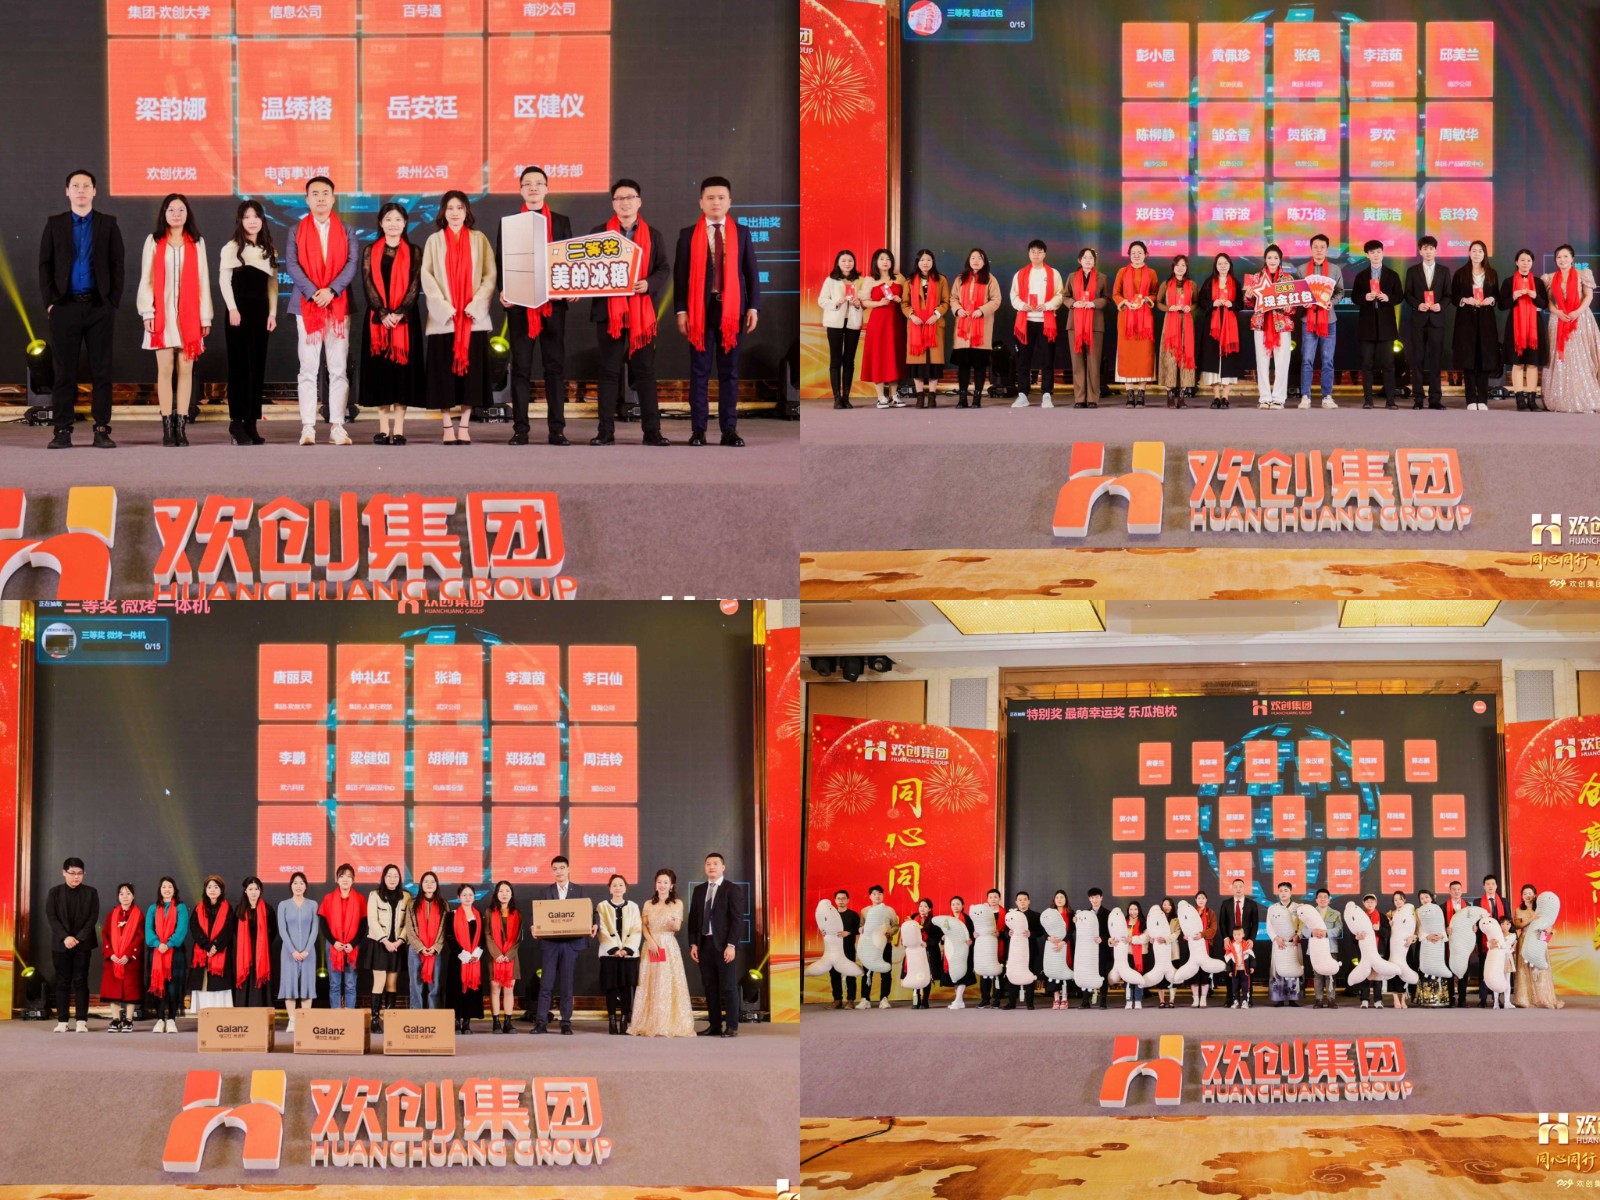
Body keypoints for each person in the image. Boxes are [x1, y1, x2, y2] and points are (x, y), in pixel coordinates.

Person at [674, 176, 761, 446]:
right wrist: (681, 311)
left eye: (721, 197)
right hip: (700, 311)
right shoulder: (687, 235)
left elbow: (751, 273)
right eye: (710, 197)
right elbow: (680, 277)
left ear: (729, 202)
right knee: (699, 372)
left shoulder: (742, 233)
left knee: (729, 373)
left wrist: (753, 307)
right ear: (701, 202)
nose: (716, 202)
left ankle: (729, 430)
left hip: (732, 312)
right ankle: (698, 430)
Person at [40, 169, 124, 449]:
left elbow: (117, 264)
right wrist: (51, 302)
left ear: (94, 191)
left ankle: (101, 429)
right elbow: (45, 264)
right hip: (64, 307)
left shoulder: (108, 223)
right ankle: (62, 430)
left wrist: (112, 301)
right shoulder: (55, 223)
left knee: (102, 371)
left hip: (99, 307)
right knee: (64, 372)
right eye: (75, 186)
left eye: (86, 186)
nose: (80, 190)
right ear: (67, 191)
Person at [590, 178, 672, 445]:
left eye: (630, 197)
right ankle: (605, 432)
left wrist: (649, 284)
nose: (625, 202)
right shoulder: (599, 233)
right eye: (619, 198)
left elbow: (663, 269)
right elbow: (587, 270)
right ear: (613, 204)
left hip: (641, 313)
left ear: (639, 202)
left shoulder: (654, 235)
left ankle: (652, 432)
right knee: (608, 371)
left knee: (644, 371)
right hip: (609, 312)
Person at [284, 176, 359, 445]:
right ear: (307, 199)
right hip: (308, 306)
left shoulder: (347, 229)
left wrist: (332, 291)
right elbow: (292, 264)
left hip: (338, 306)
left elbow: (351, 262)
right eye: (314, 194)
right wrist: (315, 292)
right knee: (308, 368)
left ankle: (337, 426)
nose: (320, 198)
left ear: (333, 198)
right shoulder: (296, 230)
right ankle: (308, 426)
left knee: (338, 368)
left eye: (325, 193)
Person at [502, 166, 572, 445]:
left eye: (539, 183)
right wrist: (503, 291)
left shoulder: (561, 221)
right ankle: (520, 430)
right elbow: (501, 261)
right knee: (521, 369)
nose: (533, 187)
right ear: (520, 190)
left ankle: (557, 430)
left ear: (547, 188)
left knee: (554, 369)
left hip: (553, 307)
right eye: (527, 183)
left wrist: (571, 287)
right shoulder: (510, 223)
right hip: (520, 307)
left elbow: (569, 258)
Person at [136, 194, 212, 446]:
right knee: (165, 368)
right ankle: (167, 426)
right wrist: (148, 311)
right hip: (163, 314)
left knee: (186, 370)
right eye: (171, 210)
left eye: (181, 210)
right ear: (164, 213)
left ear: (187, 213)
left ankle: (182, 425)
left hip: (190, 317)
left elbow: (203, 281)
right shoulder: (154, 241)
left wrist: (205, 316)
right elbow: (146, 278)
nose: (176, 214)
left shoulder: (197, 242)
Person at [421, 191, 496, 443]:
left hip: (472, 319)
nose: (455, 213)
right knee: (443, 376)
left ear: (467, 212)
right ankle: (446, 426)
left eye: (460, 208)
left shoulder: (479, 239)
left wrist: (476, 305)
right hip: (444, 320)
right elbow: (427, 276)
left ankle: (464, 425)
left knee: (471, 378)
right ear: (443, 212)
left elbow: (490, 275)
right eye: (450, 208)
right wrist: (443, 307)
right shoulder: (434, 240)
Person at [360, 202, 424, 445]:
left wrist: (398, 313)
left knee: (402, 375)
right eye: (388, 219)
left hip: (405, 321)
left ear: (405, 223)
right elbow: (367, 282)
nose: (393, 224)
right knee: (381, 374)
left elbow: (415, 284)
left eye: (398, 219)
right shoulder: (370, 250)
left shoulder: (414, 251)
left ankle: (398, 429)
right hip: (377, 320)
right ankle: (382, 428)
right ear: (380, 223)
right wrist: (382, 312)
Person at [217, 200, 277, 444]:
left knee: (257, 368)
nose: (252, 221)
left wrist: (272, 313)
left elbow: (272, 284)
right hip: (238, 314)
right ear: (240, 221)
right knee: (239, 368)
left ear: (262, 220)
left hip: (261, 315)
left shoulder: (268, 249)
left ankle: (252, 423)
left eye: (256, 216)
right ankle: (236, 423)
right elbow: (224, 281)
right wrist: (232, 308)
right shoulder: (231, 248)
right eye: (247, 217)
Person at [529, 854, 594, 1034]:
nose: (559, 872)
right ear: (552, 872)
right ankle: (541, 1022)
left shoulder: (579, 891)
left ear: (568, 869)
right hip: (550, 944)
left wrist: (594, 923)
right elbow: (537, 915)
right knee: (546, 984)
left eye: (562, 868)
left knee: (567, 985)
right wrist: (534, 926)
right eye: (555, 869)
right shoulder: (545, 892)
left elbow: (591, 912)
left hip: (571, 944)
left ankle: (565, 1022)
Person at [632, 868, 695, 1037]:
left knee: (667, 983)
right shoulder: (648, 904)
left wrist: (672, 923)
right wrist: (651, 942)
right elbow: (643, 926)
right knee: (650, 982)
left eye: (666, 882)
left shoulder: (677, 903)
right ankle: (650, 1022)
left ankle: (666, 1022)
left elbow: (677, 927)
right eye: (659, 882)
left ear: (671, 885)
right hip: (651, 946)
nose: (662, 885)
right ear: (655, 884)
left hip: (668, 946)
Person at [687, 850, 741, 1037]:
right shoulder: (699, 890)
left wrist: (731, 945)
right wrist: (693, 944)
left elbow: (737, 920)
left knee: (728, 986)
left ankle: (732, 1026)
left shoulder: (731, 889)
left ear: (723, 867)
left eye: (715, 864)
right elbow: (693, 919)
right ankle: (715, 1025)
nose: (711, 867)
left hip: (724, 946)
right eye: (708, 864)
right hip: (704, 945)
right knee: (710, 987)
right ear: (705, 867)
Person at [1542, 244, 1600, 413]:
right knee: (1560, 358)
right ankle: (1559, 398)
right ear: (1555, 260)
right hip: (1558, 319)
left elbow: (1588, 296)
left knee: (1580, 357)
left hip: (1580, 319)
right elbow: (1547, 301)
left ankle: (1584, 395)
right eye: (1559, 257)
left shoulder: (1583, 274)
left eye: (1566, 256)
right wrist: (1557, 312)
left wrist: (1577, 312)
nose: (1562, 260)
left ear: (1572, 258)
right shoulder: (1550, 278)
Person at [46, 856, 99, 1032]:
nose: (76, 877)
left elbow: (92, 918)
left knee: (81, 981)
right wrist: (65, 937)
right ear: (64, 873)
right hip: (61, 945)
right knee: (62, 982)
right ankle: (62, 1021)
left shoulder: (91, 892)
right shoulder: (54, 892)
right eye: (72, 873)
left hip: (83, 944)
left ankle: (81, 1021)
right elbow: (52, 917)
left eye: (80, 873)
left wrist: (78, 938)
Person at [1011, 239, 1064, 408]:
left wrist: (1047, 305)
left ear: (1044, 254)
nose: (1036, 254)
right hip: (1025, 322)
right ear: (1029, 254)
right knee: (1023, 360)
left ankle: (1047, 394)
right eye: (1033, 251)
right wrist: (1022, 305)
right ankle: (1022, 394)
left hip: (1046, 322)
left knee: (1047, 359)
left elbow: (1060, 295)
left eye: (1039, 252)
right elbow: (1014, 296)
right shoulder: (1020, 274)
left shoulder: (1053, 273)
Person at [1350, 239, 1402, 410]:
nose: (1376, 255)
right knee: (1367, 364)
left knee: (1388, 364)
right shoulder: (1361, 276)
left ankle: (1391, 400)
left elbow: (1399, 296)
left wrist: (1388, 298)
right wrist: (1365, 297)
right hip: (1367, 326)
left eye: (1378, 251)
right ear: (1367, 255)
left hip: (1386, 325)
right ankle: (1368, 400)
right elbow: (1355, 297)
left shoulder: (1392, 275)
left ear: (1383, 253)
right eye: (1372, 252)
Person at [1498, 249, 1551, 412]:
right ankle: (1519, 399)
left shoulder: (1538, 282)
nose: (1525, 263)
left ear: (1532, 263)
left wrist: (1535, 296)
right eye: (1522, 260)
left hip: (1534, 327)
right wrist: (1514, 296)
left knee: (1533, 364)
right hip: (1515, 327)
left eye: (1528, 260)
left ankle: (1532, 400)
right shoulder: (1508, 282)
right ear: (1516, 262)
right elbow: (1502, 305)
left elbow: (1544, 305)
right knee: (1518, 363)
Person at [1451, 240, 1501, 411]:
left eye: (1480, 251)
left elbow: (1497, 296)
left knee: (1484, 360)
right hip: (1466, 321)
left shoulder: (1492, 274)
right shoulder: (1460, 273)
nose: (1477, 254)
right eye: (1474, 250)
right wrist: (1465, 300)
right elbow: (1453, 297)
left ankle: (1483, 399)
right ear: (1469, 253)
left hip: (1486, 321)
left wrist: (1491, 299)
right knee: (1469, 361)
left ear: (1484, 254)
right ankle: (1471, 399)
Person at [1246, 243, 1296, 410]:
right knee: (1262, 362)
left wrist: (1289, 308)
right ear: (1265, 259)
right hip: (1261, 325)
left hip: (1281, 325)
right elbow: (1249, 304)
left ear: (1280, 260)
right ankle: (1265, 397)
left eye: (1275, 258)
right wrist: (1248, 296)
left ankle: (1279, 398)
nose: (1272, 260)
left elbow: (1293, 307)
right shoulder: (1256, 278)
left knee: (1282, 363)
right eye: (1269, 257)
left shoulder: (1288, 279)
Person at [1298, 233, 1344, 409]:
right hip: (1308, 320)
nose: (1319, 250)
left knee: (1327, 360)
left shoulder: (1334, 269)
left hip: (1329, 320)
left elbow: (1340, 292)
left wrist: (1332, 302)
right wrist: (1303, 301)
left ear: (1327, 249)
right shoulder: (1301, 269)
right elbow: (1297, 293)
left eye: (1322, 247)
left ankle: (1327, 396)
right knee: (1307, 359)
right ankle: (1305, 396)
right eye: (1315, 247)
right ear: (1311, 249)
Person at [949, 249, 1000, 408]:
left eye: (979, 258)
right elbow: (953, 298)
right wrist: (958, 309)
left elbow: (996, 300)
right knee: (963, 366)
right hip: (963, 330)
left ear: (984, 262)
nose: (976, 260)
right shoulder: (960, 279)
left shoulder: (990, 279)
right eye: (973, 257)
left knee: (979, 366)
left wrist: (982, 310)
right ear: (968, 260)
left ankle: (977, 399)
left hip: (981, 329)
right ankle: (962, 398)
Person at [1403, 235, 1448, 410]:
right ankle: (1418, 398)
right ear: (1420, 251)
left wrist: (1440, 305)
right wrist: (1418, 304)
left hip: (1436, 320)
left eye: (1431, 248)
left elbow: (1449, 295)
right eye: (1425, 249)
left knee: (1436, 361)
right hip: (1418, 321)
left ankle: (1435, 399)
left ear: (1436, 251)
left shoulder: (1444, 271)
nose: (1428, 252)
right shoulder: (1412, 271)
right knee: (1417, 360)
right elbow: (1408, 294)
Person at [1114, 241, 1160, 407]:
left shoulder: (1152, 273)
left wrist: (1146, 299)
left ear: (1146, 254)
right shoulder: (1122, 271)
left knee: (1144, 355)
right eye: (1133, 252)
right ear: (1129, 254)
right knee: (1127, 354)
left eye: (1140, 252)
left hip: (1145, 318)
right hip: (1126, 317)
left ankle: (1141, 393)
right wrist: (1125, 302)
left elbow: (1155, 293)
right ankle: (1129, 394)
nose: (1136, 255)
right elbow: (1116, 293)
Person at [1196, 253, 1246, 408]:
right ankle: (1216, 397)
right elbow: (1201, 301)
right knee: (1212, 360)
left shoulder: (1235, 283)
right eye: (1219, 263)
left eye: (1225, 263)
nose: (1223, 266)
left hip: (1231, 327)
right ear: (1215, 266)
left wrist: (1232, 304)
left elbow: (1241, 304)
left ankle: (1225, 397)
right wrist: (1212, 303)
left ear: (1230, 265)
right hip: (1212, 327)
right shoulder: (1209, 282)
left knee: (1229, 361)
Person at [365, 863, 411, 1029]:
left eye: (396, 876)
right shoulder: (374, 895)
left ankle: (389, 1019)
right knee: (379, 982)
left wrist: (399, 941)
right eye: (389, 875)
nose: (392, 879)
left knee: (392, 983)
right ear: (383, 878)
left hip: (397, 945)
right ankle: (375, 1020)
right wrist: (385, 941)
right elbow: (372, 920)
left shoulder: (406, 896)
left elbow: (408, 922)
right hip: (379, 944)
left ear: (399, 879)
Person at [859, 250, 906, 409]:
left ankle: (894, 395)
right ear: (875, 262)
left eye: (888, 259)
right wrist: (879, 303)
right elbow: (864, 302)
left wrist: (900, 299)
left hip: (896, 322)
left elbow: (908, 299)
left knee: (894, 356)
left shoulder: (899, 278)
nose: (885, 262)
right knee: (878, 356)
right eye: (881, 259)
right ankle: (881, 396)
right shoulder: (870, 280)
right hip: (878, 322)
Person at [596, 873, 641, 1034]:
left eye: (621, 885)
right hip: (609, 955)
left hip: (629, 955)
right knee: (611, 988)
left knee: (626, 988)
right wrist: (614, 949)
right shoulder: (602, 906)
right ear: (609, 888)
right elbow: (602, 929)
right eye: (614, 885)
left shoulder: (633, 906)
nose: (617, 888)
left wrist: (626, 949)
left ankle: (624, 1020)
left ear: (625, 888)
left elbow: (637, 929)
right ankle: (612, 1020)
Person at [1064, 247, 1109, 408]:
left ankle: (1092, 398)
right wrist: (1073, 303)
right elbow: (1066, 296)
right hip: (1075, 323)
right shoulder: (1071, 277)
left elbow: (1106, 298)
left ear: (1094, 261)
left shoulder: (1102, 278)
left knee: (1093, 362)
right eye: (1085, 258)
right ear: (1079, 260)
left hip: (1095, 324)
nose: (1088, 260)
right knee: (1077, 362)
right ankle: (1080, 398)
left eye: (1091, 258)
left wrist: (1094, 303)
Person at [903, 250, 949, 408]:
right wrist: (911, 316)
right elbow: (904, 303)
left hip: (934, 324)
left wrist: (936, 315)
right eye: (922, 260)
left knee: (934, 363)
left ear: (933, 262)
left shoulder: (941, 279)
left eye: (928, 260)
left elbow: (946, 301)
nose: (925, 263)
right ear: (917, 262)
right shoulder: (909, 281)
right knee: (918, 364)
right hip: (916, 325)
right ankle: (920, 397)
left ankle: (932, 396)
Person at [820, 250, 864, 409]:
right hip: (835, 323)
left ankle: (846, 397)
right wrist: (837, 302)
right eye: (844, 261)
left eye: (850, 261)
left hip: (853, 322)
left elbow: (866, 301)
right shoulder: (830, 280)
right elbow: (822, 301)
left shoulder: (860, 280)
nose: (847, 264)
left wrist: (858, 304)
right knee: (835, 359)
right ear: (838, 263)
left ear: (854, 263)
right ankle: (837, 398)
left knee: (849, 360)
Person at [318, 863, 365, 1009]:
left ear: (353, 880)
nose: (345, 879)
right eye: (342, 876)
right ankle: (336, 1017)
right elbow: (323, 924)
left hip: (352, 946)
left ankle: (350, 1016)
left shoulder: (360, 899)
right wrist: (334, 942)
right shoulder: (328, 898)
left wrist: (353, 944)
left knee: (350, 984)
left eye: (349, 876)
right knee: (334, 984)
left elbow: (363, 926)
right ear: (337, 879)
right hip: (333, 946)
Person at [145, 876, 188, 1033]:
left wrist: (169, 944)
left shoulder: (181, 908)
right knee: (158, 986)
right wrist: (158, 944)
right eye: (164, 887)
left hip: (175, 952)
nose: (167, 889)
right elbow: (148, 930)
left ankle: (171, 1019)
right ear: (160, 890)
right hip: (157, 952)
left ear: (174, 890)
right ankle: (159, 1019)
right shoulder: (152, 908)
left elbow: (182, 929)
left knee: (173, 987)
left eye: (170, 886)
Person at [277, 871, 317, 1032]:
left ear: (306, 886)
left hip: (308, 953)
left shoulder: (313, 905)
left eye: (301, 883)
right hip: (288, 953)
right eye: (295, 883)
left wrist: (307, 950)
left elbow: (315, 930)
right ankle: (292, 1021)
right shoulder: (283, 905)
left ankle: (305, 1021)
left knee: (307, 986)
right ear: (291, 886)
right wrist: (293, 950)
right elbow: (282, 930)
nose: (298, 886)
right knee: (290, 986)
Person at [1512, 883, 1564, 1009]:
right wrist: (1532, 919)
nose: (1527, 896)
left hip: (1539, 939)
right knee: (1524, 969)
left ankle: (1543, 998)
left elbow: (1548, 921)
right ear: (1522, 896)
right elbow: (1517, 926)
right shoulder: (1519, 910)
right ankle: (1524, 998)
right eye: (1525, 893)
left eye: (1530, 893)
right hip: (1524, 939)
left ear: (1535, 895)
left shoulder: (1541, 908)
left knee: (1540, 969)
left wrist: (1548, 931)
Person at [1156, 254, 1197, 407]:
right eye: (1177, 265)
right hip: (1170, 324)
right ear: (1173, 267)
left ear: (1187, 268)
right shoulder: (1166, 284)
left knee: (1186, 355)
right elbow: (1158, 303)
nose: (1180, 268)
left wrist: (1190, 307)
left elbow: (1196, 303)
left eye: (1183, 265)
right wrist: (1169, 308)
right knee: (1170, 356)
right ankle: (1169, 394)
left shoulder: (1192, 285)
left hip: (1186, 324)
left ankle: (1182, 395)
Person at [101, 883, 142, 1032]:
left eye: (128, 893)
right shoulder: (111, 914)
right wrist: (110, 954)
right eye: (121, 893)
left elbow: (139, 937)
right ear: (118, 897)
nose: (125, 896)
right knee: (113, 989)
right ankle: (116, 1019)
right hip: (113, 959)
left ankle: (129, 1020)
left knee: (131, 990)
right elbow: (105, 935)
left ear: (133, 896)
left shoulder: (138, 915)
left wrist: (128, 955)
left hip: (130, 959)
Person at [190, 875, 234, 1013]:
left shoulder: (227, 908)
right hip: (202, 951)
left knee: (218, 985)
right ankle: (205, 1014)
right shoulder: (198, 908)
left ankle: (220, 1015)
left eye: (216, 887)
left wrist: (215, 945)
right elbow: (195, 928)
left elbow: (228, 929)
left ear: (221, 890)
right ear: (205, 890)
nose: (212, 890)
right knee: (203, 984)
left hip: (220, 952)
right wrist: (207, 945)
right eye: (209, 887)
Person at [446, 883, 485, 1034]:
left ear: (474, 897)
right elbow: (449, 936)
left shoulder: (479, 915)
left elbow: (482, 937)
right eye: (464, 895)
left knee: (471, 991)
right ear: (458, 897)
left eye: (470, 895)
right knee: (456, 990)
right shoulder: (452, 915)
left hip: (474, 959)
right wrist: (462, 953)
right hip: (458, 959)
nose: (467, 898)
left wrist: (477, 951)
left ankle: (467, 1022)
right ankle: (456, 1021)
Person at [407, 870, 447, 1011]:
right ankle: (416, 1014)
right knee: (415, 984)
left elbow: (444, 928)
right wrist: (420, 947)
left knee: (434, 984)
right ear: (421, 885)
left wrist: (435, 947)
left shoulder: (443, 904)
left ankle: (433, 1015)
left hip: (436, 950)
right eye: (426, 881)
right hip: (415, 950)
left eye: (432, 881)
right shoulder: (412, 904)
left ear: (436, 885)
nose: (429, 884)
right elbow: (409, 928)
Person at [485, 879, 521, 1034]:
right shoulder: (489, 912)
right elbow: (487, 935)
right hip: (495, 957)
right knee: (495, 989)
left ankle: (508, 1022)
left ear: (511, 894)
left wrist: (509, 954)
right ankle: (496, 1022)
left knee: (509, 989)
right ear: (496, 894)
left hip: (511, 957)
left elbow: (518, 938)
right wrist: (497, 954)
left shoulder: (517, 913)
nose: (504, 894)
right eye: (501, 891)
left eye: (507, 891)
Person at [233, 875, 274, 1009]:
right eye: (250, 889)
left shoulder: (267, 909)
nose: (254, 892)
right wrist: (246, 945)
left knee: (260, 980)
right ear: (245, 891)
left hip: (262, 951)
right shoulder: (239, 909)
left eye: (256, 889)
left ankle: (261, 1010)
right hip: (244, 951)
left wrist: (262, 945)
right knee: (246, 978)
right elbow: (235, 930)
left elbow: (273, 930)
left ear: (260, 890)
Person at [1264, 881, 1304, 1006]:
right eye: (1280, 891)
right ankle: (1279, 999)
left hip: (1294, 943)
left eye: (1286, 890)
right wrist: (1276, 938)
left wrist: (1298, 935)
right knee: (1278, 969)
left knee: (1294, 968)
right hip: (1279, 943)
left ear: (1291, 892)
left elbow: (1303, 924)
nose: (1283, 893)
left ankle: (1293, 999)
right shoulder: (1272, 908)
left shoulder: (1298, 908)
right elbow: (1269, 926)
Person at [1474, 874, 1510, 1007]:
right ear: (1484, 886)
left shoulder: (1504, 901)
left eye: (1493, 884)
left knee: (1498, 969)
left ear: (1496, 886)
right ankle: (1483, 998)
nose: (1490, 886)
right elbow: (1475, 922)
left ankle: (1497, 999)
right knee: (1484, 969)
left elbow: (1509, 920)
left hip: (1500, 943)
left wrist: (1512, 938)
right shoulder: (1478, 902)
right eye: (1488, 884)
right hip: (1484, 941)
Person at [858, 883, 895, 1007]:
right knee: (867, 972)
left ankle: (884, 998)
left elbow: (895, 925)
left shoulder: (889, 910)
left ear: (883, 895)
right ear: (870, 896)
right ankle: (865, 999)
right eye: (874, 894)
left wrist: (889, 932)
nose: (877, 896)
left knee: (886, 972)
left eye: (879, 894)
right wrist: (861, 929)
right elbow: (861, 925)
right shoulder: (865, 911)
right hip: (869, 946)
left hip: (885, 944)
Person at [1306, 887, 1342, 1008]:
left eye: (1325, 897)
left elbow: (1338, 930)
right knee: (1317, 974)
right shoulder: (1309, 913)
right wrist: (1312, 932)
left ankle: (1331, 999)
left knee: (1330, 973)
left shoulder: (1336, 914)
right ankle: (1319, 999)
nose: (1322, 899)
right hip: (1315, 949)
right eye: (1320, 897)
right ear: (1316, 899)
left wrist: (1327, 933)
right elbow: (1303, 930)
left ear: (1329, 899)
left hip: (1330, 947)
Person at [829, 888, 861, 1009]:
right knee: (834, 974)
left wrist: (848, 933)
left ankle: (851, 1000)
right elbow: (825, 928)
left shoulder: (853, 915)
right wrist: (823, 931)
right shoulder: (831, 915)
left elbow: (859, 930)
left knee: (850, 974)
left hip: (848, 948)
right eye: (838, 898)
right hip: (833, 949)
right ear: (835, 900)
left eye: (843, 898)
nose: (841, 901)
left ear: (848, 900)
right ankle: (837, 1000)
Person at [943, 894, 977, 1009]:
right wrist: (943, 937)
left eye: (958, 904)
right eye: (953, 904)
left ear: (963, 906)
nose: (955, 906)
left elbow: (972, 934)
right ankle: (960, 1000)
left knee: (963, 975)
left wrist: (971, 940)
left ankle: (957, 1000)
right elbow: (944, 932)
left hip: (964, 951)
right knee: (955, 976)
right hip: (951, 951)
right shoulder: (946, 920)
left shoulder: (968, 919)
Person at [976, 886, 1007, 1009]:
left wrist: (1000, 933)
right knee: (985, 972)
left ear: (999, 899)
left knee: (998, 972)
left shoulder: (1005, 914)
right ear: (987, 899)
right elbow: (976, 926)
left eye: (995, 897)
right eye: (990, 897)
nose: (993, 899)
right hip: (985, 947)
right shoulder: (982, 912)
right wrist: (975, 933)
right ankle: (985, 999)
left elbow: (1008, 931)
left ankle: (997, 998)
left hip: (999, 945)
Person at [1442, 879, 1472, 1006]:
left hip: (1464, 944)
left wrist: (1474, 928)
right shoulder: (1443, 906)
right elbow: (1439, 925)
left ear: (1461, 891)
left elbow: (1472, 923)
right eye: (1454, 889)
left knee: (1463, 971)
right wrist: (1445, 929)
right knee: (1449, 972)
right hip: (1450, 944)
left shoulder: (1469, 907)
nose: (1456, 892)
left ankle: (1462, 999)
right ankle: (1450, 998)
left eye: (1458, 889)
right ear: (1449, 891)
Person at [1083, 887, 1113, 1010]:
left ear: (1101, 898)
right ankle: (1085, 1001)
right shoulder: (1084, 914)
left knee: (1102, 974)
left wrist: (1103, 938)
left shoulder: (1108, 914)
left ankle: (1103, 1000)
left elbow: (1112, 932)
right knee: (1086, 974)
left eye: (1096, 897)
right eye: (1092, 897)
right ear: (1089, 899)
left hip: (1102, 949)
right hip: (1088, 950)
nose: (1094, 900)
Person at [1187, 889, 1219, 1007]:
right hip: (1192, 947)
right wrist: (1187, 935)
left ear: (1206, 900)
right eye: (1199, 898)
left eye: (1203, 898)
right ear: (1195, 900)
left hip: (1206, 947)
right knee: (1194, 973)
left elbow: (1213, 930)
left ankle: (1203, 998)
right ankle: (1195, 998)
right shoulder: (1190, 913)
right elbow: (1185, 927)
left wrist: (1202, 934)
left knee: (1205, 973)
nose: (1201, 900)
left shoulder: (1210, 913)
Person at [910, 897, 942, 1008]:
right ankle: (916, 1000)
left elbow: (937, 937)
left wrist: (927, 943)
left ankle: (925, 1000)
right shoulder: (913, 920)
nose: (922, 908)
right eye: (920, 906)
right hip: (915, 952)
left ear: (930, 909)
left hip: (929, 951)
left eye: (925, 906)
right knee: (915, 974)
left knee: (927, 975)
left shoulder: (934, 921)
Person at [1356, 893, 1386, 1008]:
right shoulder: (1359, 917)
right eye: (1367, 901)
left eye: (1372, 901)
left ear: (1376, 903)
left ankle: (1378, 1000)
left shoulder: (1382, 916)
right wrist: (1357, 937)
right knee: (1364, 974)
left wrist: (1379, 929)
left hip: (1378, 950)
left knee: (1378, 975)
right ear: (1364, 903)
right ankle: (1364, 999)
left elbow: (1387, 933)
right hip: (1364, 950)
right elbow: (1353, 933)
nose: (1369, 903)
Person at [1046, 889, 1073, 1008]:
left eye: (1062, 897)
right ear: (1054, 900)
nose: (1059, 899)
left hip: (1066, 945)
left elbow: (1071, 930)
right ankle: (1056, 998)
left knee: (1065, 970)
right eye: (1057, 897)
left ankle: (1065, 998)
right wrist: (1049, 938)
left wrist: (1064, 942)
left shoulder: (1070, 913)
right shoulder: (1050, 913)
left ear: (1066, 899)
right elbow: (1044, 928)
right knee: (1054, 970)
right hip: (1053, 945)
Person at [1121, 900, 1149, 1009]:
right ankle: (1128, 1000)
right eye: (1131, 909)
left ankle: (1138, 1000)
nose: (1133, 911)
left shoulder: (1144, 922)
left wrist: (1131, 939)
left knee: (1138, 978)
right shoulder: (1124, 922)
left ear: (1139, 910)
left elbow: (1145, 938)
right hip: (1127, 954)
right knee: (1127, 978)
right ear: (1128, 911)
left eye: (1135, 909)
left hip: (1141, 955)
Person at [1217, 875, 1259, 947]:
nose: (1238, 889)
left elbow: (1255, 924)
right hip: (1230, 941)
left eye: (1240, 887)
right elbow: (1222, 923)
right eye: (1235, 887)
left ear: (1244, 888)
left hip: (1246, 941)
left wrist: (1251, 939)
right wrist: (1225, 938)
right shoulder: (1226, 904)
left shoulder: (1252, 904)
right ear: (1232, 889)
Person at [1155, 896, 1181, 1008]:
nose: (1166, 907)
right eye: (1165, 904)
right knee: (1160, 976)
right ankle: (1161, 1000)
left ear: (1172, 906)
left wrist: (1166, 939)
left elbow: (1177, 933)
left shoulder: (1176, 919)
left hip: (1173, 950)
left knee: (1173, 976)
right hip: (1160, 950)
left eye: (1169, 905)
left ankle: (1171, 1000)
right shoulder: (1157, 918)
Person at [1225, 925, 1255, 1008]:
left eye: (1239, 935)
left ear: (1243, 935)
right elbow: (1228, 961)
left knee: (1245, 986)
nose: (1237, 937)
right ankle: (1236, 1001)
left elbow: (1252, 958)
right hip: (1235, 971)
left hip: (1244, 971)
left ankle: (1245, 1001)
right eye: (1235, 935)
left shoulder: (1246, 945)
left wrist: (1252, 967)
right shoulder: (1230, 946)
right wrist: (1229, 970)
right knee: (1235, 987)